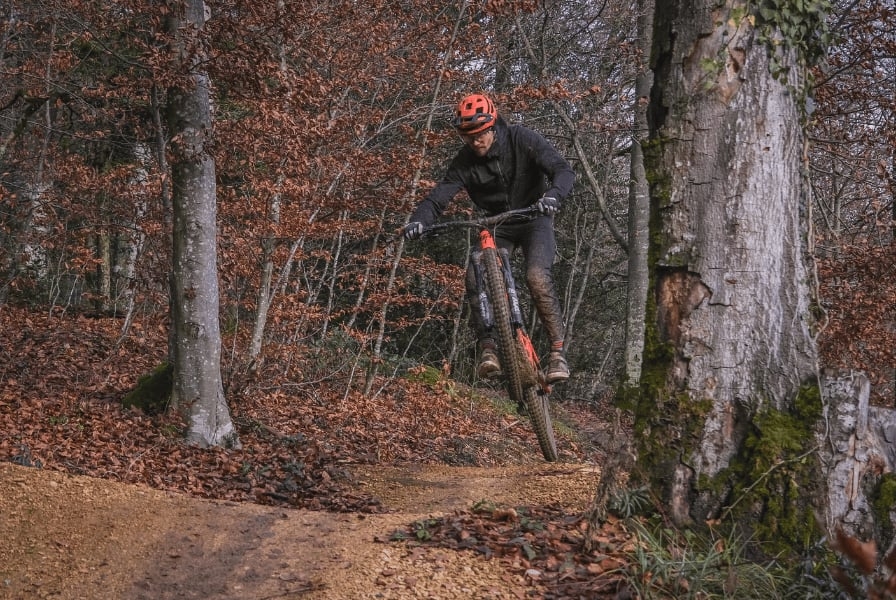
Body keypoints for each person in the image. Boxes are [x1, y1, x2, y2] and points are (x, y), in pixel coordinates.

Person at [403, 93, 575, 384]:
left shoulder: (521, 138)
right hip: (497, 224)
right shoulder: (464, 161)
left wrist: (553, 196)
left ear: (493, 127)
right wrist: (419, 221)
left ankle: (557, 353)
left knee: (536, 276)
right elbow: (438, 198)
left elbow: (563, 170)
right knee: (476, 272)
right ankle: (489, 348)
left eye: (480, 134)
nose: (475, 141)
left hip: (534, 216)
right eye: (467, 136)